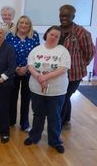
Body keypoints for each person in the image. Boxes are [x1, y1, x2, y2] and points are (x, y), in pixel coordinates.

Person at [24, 26, 71, 154]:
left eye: (57, 36)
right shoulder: (36, 49)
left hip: (57, 90)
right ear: (46, 34)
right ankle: (34, 137)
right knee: (38, 114)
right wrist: (39, 77)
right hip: (36, 88)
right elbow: (30, 66)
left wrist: (45, 77)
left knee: (54, 116)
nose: (54, 37)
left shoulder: (63, 51)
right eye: (52, 34)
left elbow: (63, 68)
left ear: (59, 38)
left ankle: (55, 141)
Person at [58, 4, 95, 128]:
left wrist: (79, 64)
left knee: (64, 96)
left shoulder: (81, 32)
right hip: (58, 72)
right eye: (61, 15)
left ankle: (59, 123)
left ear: (73, 16)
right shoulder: (56, 30)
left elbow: (90, 52)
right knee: (63, 96)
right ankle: (66, 120)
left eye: (67, 16)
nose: (64, 18)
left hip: (74, 74)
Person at [6, 15, 40, 131]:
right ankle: (10, 120)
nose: (23, 25)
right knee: (12, 97)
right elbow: (7, 54)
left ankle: (24, 123)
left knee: (26, 98)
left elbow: (36, 54)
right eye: (21, 22)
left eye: (26, 23)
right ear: (17, 24)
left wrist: (26, 67)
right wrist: (15, 68)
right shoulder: (10, 36)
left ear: (29, 26)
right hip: (13, 71)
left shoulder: (34, 36)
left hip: (29, 72)